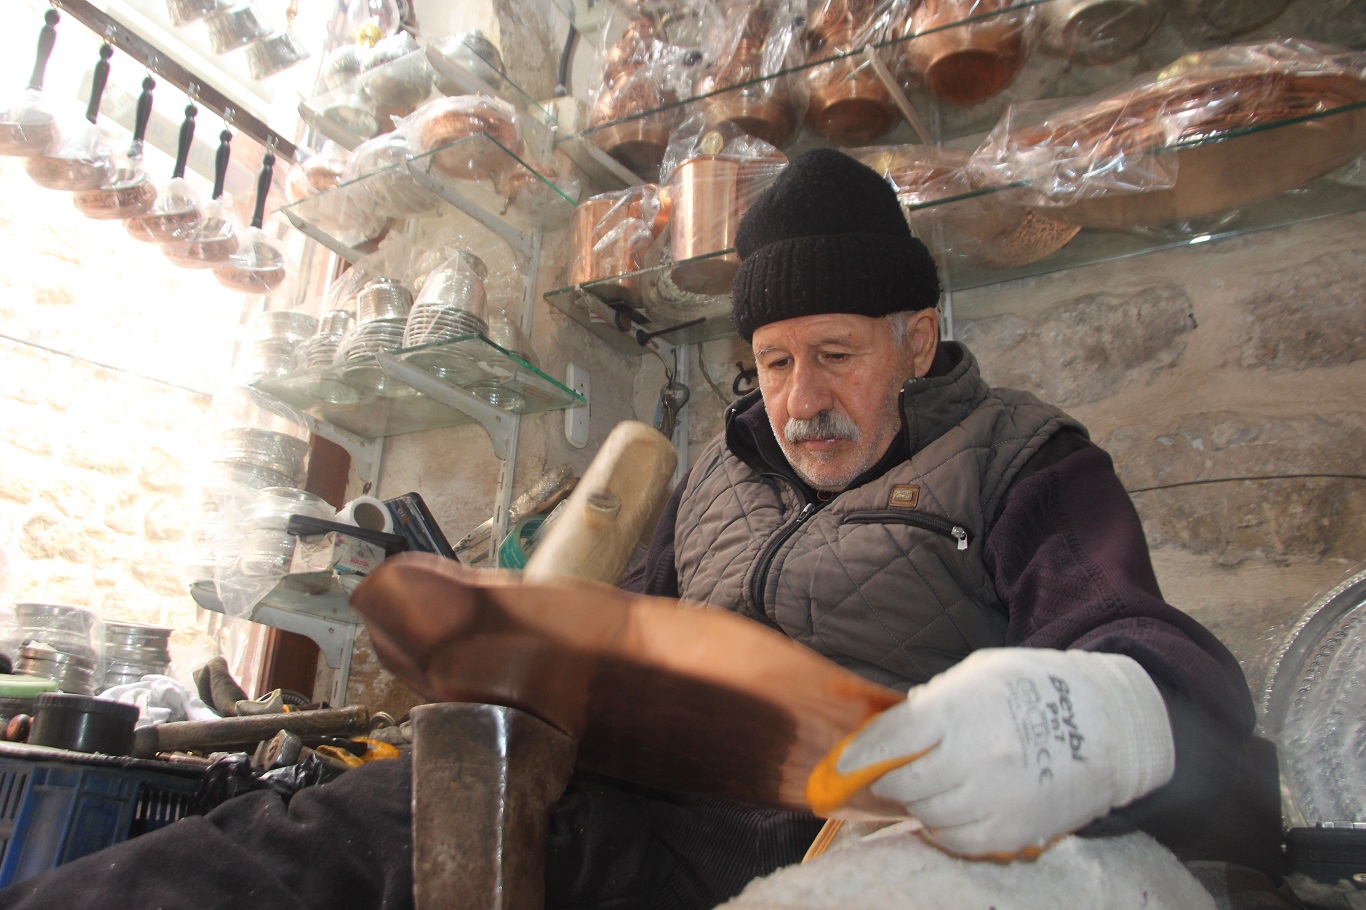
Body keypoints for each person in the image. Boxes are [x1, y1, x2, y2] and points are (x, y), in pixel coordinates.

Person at [0, 149, 1255, 909]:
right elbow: (607, 648)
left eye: (833, 354)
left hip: (864, 839)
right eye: (771, 362)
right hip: (641, 823)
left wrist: (1073, 719)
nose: (800, 397)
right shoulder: (707, 476)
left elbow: (1156, 654)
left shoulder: (1022, 458)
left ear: (914, 341)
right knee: (321, 838)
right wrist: (493, 641)